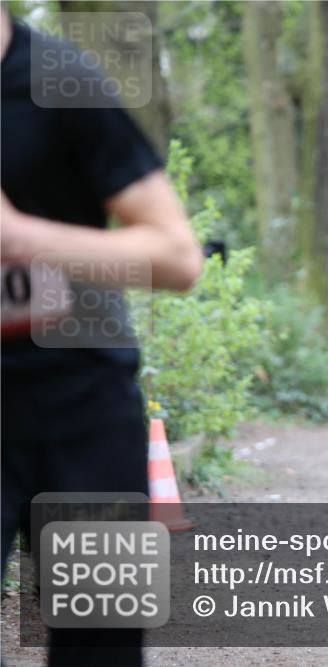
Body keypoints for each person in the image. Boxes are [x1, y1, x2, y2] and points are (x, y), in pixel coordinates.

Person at [1, 10, 202, 665]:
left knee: (100, 648)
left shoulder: (61, 83)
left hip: (83, 408)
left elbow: (177, 255)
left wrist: (22, 239)